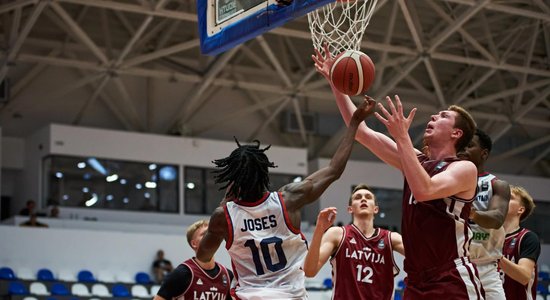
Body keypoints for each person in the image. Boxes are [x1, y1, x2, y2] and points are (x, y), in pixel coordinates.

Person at [313, 46, 483, 299]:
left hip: (450, 277)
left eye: (443, 116)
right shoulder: (416, 161)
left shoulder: (464, 169)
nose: (434, 116)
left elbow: (425, 190)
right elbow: (361, 133)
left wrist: (402, 137)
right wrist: (336, 83)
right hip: (414, 280)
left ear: (456, 133)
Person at [196, 100, 375, 299]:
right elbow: (334, 170)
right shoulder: (289, 199)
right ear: (265, 172)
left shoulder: (224, 216)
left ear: (232, 179)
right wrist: (354, 123)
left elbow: (203, 256)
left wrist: (225, 201)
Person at [303, 184, 405, 300]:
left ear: (376, 209)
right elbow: (309, 271)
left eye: (368, 197)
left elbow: (422, 258)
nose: (363, 199)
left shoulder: (391, 238)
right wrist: (319, 228)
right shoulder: (337, 234)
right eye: (357, 197)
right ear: (350, 209)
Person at [458, 128, 510, 299]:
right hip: (456, 264)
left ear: (484, 153)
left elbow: (497, 219)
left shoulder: (497, 184)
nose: (463, 149)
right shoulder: (450, 180)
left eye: (470, 145)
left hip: (486, 267)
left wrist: (472, 213)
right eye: (461, 145)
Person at [155, 220, 233, 300]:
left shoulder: (228, 275)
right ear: (194, 243)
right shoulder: (182, 273)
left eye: (212, 233)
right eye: (205, 234)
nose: (211, 236)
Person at [499, 185, 540, 300]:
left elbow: (524, 276)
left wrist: (496, 256)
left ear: (521, 209)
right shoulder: (488, 236)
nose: (503, 200)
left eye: (510, 197)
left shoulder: (527, 237)